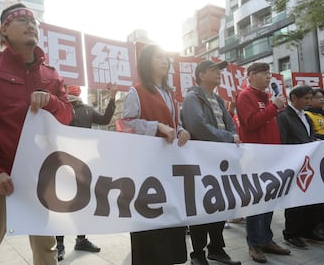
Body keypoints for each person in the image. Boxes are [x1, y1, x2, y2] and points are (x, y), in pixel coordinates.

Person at [0, 3, 73, 265]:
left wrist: (51, 102)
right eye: (21, 19)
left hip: (40, 176)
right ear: (5, 30)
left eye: (33, 20)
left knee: (46, 251)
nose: (30, 24)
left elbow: (67, 117)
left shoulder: (51, 75)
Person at [121, 44, 190, 265]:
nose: (165, 61)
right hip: (146, 168)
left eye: (166, 58)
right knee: (149, 219)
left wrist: (181, 131)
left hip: (168, 166)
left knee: (169, 215)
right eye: (159, 57)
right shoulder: (136, 91)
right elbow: (126, 124)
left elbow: (175, 124)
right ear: (147, 62)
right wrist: (157, 126)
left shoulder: (171, 94)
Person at [182, 60, 241, 265]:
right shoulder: (192, 97)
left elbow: (231, 124)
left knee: (220, 204)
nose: (219, 73)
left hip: (219, 160)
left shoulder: (217, 98)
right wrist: (228, 137)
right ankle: (197, 254)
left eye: (219, 70)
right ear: (201, 75)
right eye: (214, 70)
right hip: (201, 160)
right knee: (201, 206)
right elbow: (197, 125)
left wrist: (232, 136)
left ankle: (216, 248)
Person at [55, 83, 117, 261]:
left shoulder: (88, 110)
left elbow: (105, 120)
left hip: (84, 163)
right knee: (60, 202)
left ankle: (81, 239)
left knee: (82, 201)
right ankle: (58, 243)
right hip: (62, 162)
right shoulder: (58, 107)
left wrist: (112, 97)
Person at [235, 62, 290, 263]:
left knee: (270, 200)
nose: (269, 77)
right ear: (251, 75)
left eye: (269, 74)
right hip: (255, 158)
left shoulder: (267, 97)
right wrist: (273, 107)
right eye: (264, 74)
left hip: (271, 156)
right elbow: (251, 123)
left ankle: (266, 239)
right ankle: (254, 244)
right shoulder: (245, 96)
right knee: (256, 202)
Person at [276, 85, 324, 250]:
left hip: (308, 163)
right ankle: (291, 234)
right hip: (293, 163)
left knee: (309, 198)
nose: (308, 101)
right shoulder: (283, 116)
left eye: (309, 98)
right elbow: (283, 141)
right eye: (306, 98)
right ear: (294, 98)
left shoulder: (305, 117)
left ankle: (307, 230)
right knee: (294, 201)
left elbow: (310, 137)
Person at [304, 88, 324, 239]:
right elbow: (310, 136)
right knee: (321, 195)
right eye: (318, 97)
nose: (322, 100)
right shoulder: (308, 115)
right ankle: (320, 225)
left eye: (323, 97)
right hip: (318, 160)